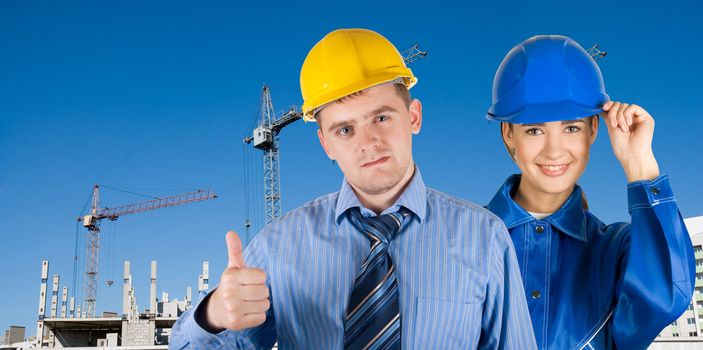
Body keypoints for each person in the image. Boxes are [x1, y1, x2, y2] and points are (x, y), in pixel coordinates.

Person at [170, 28, 537, 349]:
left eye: (381, 117)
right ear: (326, 144)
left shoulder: (484, 238)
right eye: (345, 130)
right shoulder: (278, 247)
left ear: (413, 117)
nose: (369, 142)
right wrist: (214, 314)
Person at [484, 35, 695, 349]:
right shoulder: (465, 242)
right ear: (508, 134)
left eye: (571, 128)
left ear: (593, 130)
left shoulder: (617, 249)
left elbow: (666, 297)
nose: (554, 151)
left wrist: (638, 163)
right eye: (534, 130)